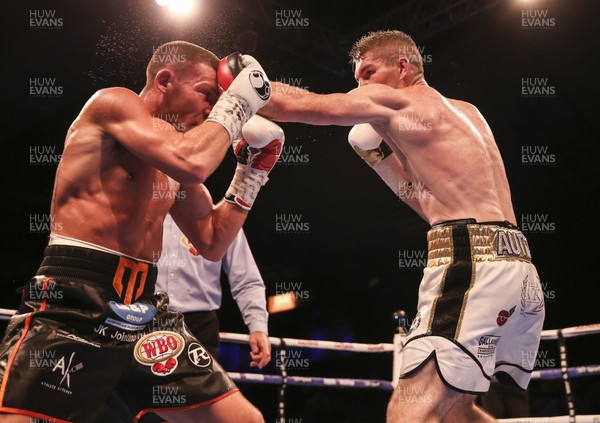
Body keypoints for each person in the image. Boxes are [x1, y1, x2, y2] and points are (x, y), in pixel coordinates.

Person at [259, 30, 545, 422]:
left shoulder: (397, 98)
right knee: (456, 412)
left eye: (368, 72)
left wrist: (241, 86)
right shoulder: (467, 112)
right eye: (357, 78)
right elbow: (429, 202)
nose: (360, 87)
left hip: (470, 268)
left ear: (403, 67)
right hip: (519, 273)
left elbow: (309, 105)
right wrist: (380, 160)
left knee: (406, 411)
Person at [0, 40, 283, 423]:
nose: (211, 109)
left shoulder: (173, 162)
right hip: (74, 301)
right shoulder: (112, 104)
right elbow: (194, 160)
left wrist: (251, 175)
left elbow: (213, 240)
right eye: (206, 95)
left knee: (245, 420)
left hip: (144, 311)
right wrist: (237, 104)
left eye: (219, 101)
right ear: (165, 81)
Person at [156, 213, 271, 367]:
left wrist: (258, 327)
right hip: (144, 321)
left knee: (200, 390)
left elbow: (246, 280)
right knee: (142, 390)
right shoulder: (139, 215)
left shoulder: (222, 221)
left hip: (200, 327)